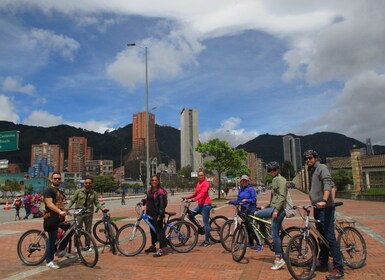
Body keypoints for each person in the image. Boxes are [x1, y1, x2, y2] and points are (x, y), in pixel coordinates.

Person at [304, 150, 344, 279]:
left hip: (325, 207)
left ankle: (338, 268)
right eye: (306, 158)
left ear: (316, 157)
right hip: (317, 207)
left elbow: (328, 183)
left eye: (310, 158)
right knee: (321, 236)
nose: (307, 160)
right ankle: (323, 261)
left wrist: (325, 201)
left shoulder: (321, 167)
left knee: (330, 236)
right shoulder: (312, 170)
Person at [254, 161, 287, 270]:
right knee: (257, 215)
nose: (271, 172)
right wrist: (267, 206)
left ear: (277, 170)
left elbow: (282, 196)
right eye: (269, 170)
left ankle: (278, 258)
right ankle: (265, 235)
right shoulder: (274, 180)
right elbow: (274, 198)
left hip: (280, 209)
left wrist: (276, 210)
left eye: (273, 170)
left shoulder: (281, 180)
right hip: (273, 207)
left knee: (274, 233)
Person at [66, 176, 106, 248]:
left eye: (89, 183)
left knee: (88, 230)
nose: (87, 184)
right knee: (77, 230)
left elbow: (96, 203)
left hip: (89, 213)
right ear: (84, 183)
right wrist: (67, 207)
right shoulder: (78, 192)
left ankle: (87, 245)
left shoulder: (94, 193)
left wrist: (102, 208)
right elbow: (72, 201)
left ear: (92, 184)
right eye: (86, 183)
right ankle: (76, 246)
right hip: (79, 213)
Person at [43, 172, 71, 269]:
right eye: (55, 178)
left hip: (59, 217)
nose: (57, 180)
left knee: (70, 228)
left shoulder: (60, 191)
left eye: (59, 178)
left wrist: (65, 215)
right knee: (52, 240)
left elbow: (62, 205)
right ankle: (49, 261)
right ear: (51, 179)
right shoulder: (48, 190)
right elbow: (49, 204)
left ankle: (62, 248)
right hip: (50, 217)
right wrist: (59, 211)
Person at [183, 170, 212, 247]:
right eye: (199, 175)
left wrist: (193, 200)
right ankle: (199, 227)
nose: (200, 177)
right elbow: (195, 194)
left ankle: (207, 241)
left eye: (202, 175)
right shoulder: (198, 183)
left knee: (206, 223)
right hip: (199, 205)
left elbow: (202, 194)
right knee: (190, 215)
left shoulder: (206, 183)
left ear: (204, 176)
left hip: (206, 204)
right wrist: (187, 197)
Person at [228, 175, 257, 248]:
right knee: (247, 227)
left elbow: (254, 200)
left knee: (250, 226)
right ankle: (251, 242)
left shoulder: (251, 189)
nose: (244, 182)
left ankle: (258, 242)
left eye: (245, 181)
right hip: (243, 210)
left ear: (248, 181)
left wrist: (247, 200)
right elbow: (238, 200)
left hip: (250, 210)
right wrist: (230, 201)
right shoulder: (241, 190)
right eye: (242, 181)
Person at [142, 175, 168, 257]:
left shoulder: (161, 191)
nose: (154, 182)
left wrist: (160, 214)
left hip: (157, 214)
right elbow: (148, 200)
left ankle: (161, 250)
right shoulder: (150, 190)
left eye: (155, 180)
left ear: (158, 181)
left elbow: (162, 204)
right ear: (150, 181)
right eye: (152, 180)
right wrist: (143, 202)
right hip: (150, 213)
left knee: (159, 231)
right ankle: (153, 246)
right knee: (152, 231)